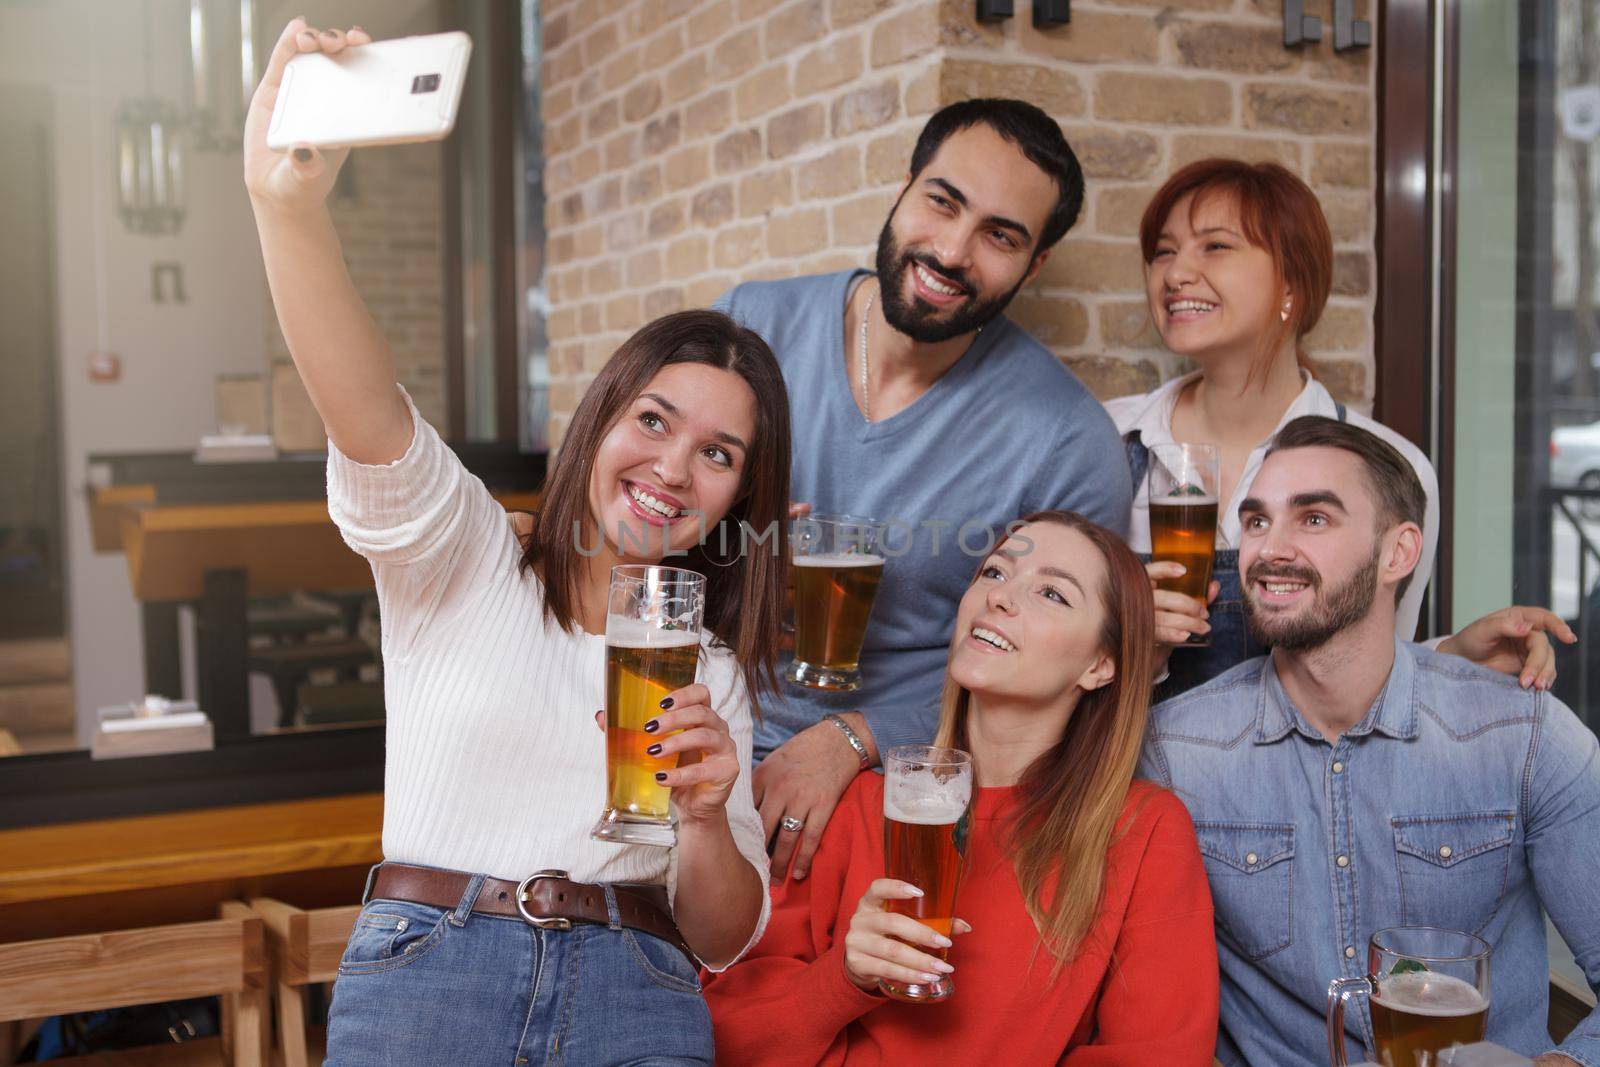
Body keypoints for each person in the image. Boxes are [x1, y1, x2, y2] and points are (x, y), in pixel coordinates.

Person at [246, 22, 791, 1065]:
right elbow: (365, 408)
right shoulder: (465, 557)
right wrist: (287, 209)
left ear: (737, 495)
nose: (674, 468)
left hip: (638, 986)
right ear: (598, 421)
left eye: (719, 454)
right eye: (653, 421)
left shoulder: (707, 672)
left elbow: (722, 936)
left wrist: (712, 817)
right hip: (434, 970)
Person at [718, 98, 1132, 883]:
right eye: (943, 202)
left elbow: (1053, 672)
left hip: (895, 783)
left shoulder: (1067, 436)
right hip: (696, 731)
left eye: (1001, 236)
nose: (951, 249)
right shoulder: (752, 326)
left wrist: (854, 738)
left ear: (1035, 264)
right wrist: (721, 557)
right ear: (905, 187)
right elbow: (643, 528)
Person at [1140, 416, 1600, 1067]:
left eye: (1314, 518)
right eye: (1256, 521)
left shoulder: (1519, 735)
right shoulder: (1176, 750)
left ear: (1398, 552)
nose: (1271, 547)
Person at [705, 511, 1218, 1065]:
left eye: (1052, 593)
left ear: (1100, 665)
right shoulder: (852, 806)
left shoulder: (1142, 830)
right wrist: (843, 978)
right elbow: (725, 1030)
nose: (999, 598)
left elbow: (1157, 1052)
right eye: (994, 573)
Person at [1108, 158, 1570, 697]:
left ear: (1292, 283)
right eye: (1163, 251)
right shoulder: (1107, 437)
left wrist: (1456, 656)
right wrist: (1129, 634)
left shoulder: (1389, 465)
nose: (1175, 273)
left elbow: (1375, 674)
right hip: (1133, 773)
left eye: (1214, 246)